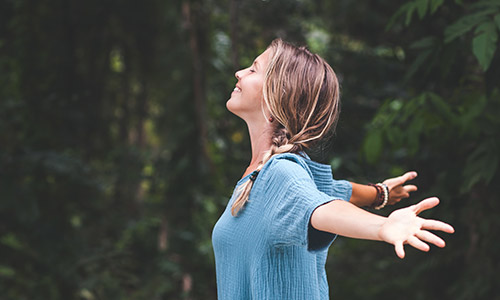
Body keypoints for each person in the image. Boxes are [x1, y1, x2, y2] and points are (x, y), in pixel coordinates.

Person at [211, 39, 454, 300]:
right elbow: (331, 192)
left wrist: (382, 227)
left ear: (274, 97)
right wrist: (378, 193)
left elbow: (322, 209)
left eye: (253, 69)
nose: (240, 72)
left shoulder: (280, 174)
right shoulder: (262, 175)